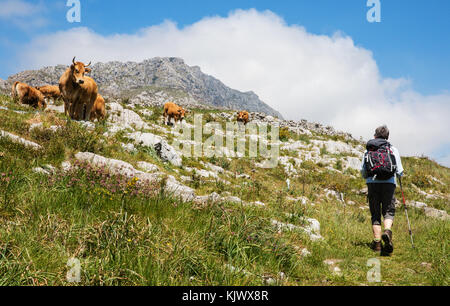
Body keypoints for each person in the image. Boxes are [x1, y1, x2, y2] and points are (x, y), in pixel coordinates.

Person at [361, 125, 404, 254]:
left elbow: (363, 170)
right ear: (387, 137)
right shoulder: (392, 149)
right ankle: (387, 231)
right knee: (388, 211)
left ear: (375, 136)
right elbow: (400, 171)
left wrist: (368, 177)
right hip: (389, 184)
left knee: (375, 213)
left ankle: (377, 244)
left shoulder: (368, 149)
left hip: (372, 183)